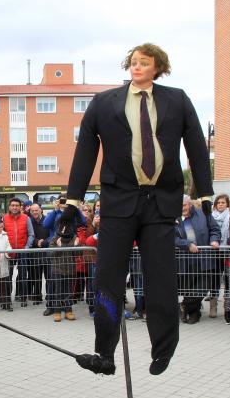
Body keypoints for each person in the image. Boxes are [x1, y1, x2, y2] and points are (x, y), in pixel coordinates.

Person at [61, 42, 213, 376]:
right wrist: (73, 201)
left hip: (160, 202)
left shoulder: (177, 99)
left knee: (161, 280)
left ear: (158, 67)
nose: (136, 67)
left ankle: (163, 349)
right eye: (133, 62)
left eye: (144, 62)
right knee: (108, 281)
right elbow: (85, 151)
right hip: (119, 201)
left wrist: (205, 193)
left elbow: (198, 149)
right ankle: (105, 351)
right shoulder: (104, 103)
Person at [175, 195, 221, 325]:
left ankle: (183, 305)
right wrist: (187, 244)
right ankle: (194, 314)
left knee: (202, 287)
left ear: (190, 204)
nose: (182, 208)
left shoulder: (203, 214)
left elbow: (215, 229)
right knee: (189, 288)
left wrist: (214, 239)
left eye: (184, 205)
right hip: (186, 259)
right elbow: (172, 237)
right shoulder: (174, 218)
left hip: (204, 258)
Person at [2, 198, 34, 307]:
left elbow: (31, 234)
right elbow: (1, 234)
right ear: (9, 207)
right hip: (9, 252)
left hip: (22, 252)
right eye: (13, 205)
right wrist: (6, 247)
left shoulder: (26, 218)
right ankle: (7, 299)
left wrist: (27, 247)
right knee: (8, 276)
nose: (15, 207)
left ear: (20, 207)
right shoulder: (4, 218)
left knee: (22, 276)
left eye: (17, 205)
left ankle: (23, 297)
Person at [47, 222, 79, 322]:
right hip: (57, 269)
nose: (65, 230)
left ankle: (68, 311)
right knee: (58, 291)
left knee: (69, 291)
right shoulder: (55, 238)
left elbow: (79, 253)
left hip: (70, 269)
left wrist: (76, 246)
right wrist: (59, 247)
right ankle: (57, 311)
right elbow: (50, 254)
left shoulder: (74, 238)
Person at [27, 203, 50, 307]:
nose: (34, 212)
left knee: (49, 277)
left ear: (41, 210)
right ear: (30, 211)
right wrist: (37, 242)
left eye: (36, 210)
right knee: (36, 277)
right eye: (32, 211)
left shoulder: (48, 220)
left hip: (47, 253)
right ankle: (37, 297)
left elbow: (53, 234)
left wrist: (45, 242)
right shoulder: (29, 221)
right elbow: (28, 234)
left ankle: (50, 296)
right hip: (35, 253)